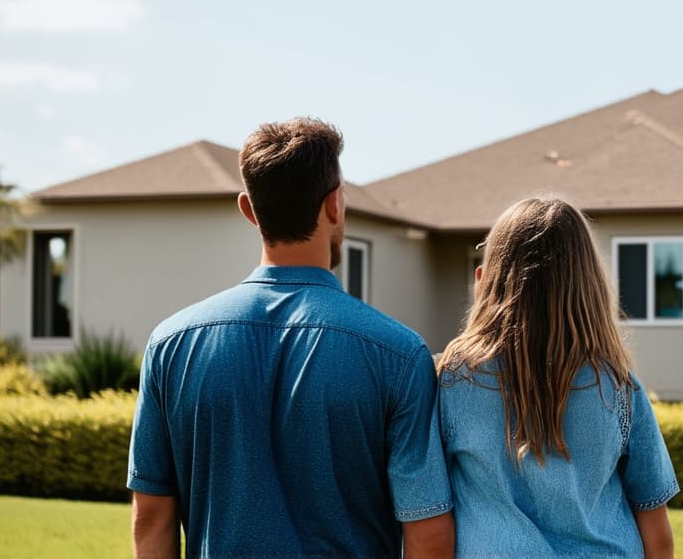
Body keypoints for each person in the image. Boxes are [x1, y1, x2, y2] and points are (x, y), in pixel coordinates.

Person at [127, 118, 454, 559]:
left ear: (249, 209)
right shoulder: (398, 354)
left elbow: (151, 517)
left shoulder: (171, 345)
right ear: (335, 205)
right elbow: (428, 530)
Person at [436, 197, 678, 558]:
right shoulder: (617, 388)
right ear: (593, 286)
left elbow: (427, 517)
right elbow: (657, 532)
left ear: (482, 282)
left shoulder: (451, 383)